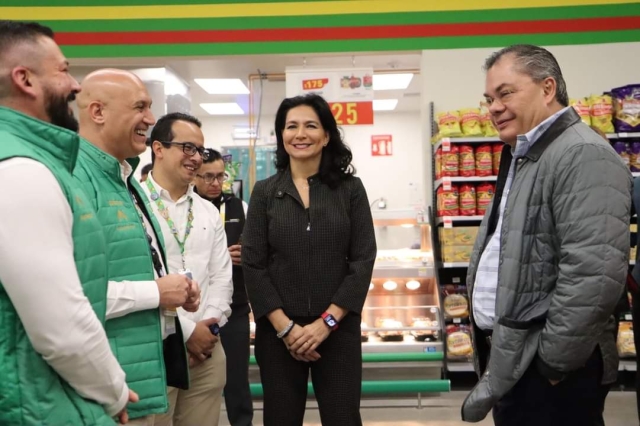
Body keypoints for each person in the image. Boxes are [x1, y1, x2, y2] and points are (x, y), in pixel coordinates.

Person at [462, 44, 632, 425]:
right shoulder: (527, 154)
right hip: (516, 360)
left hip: (551, 374)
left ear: (548, 87)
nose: (493, 107)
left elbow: (594, 274)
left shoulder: (582, 153)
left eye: (506, 93)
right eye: (489, 98)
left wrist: (553, 362)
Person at [0, 21, 136, 425]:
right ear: (24, 79)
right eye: (62, 70)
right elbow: (62, 330)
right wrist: (113, 392)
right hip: (38, 406)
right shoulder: (20, 170)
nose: (75, 85)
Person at [242, 93, 377, 426]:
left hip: (338, 330)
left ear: (326, 135)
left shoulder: (351, 189)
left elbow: (362, 259)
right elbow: (254, 265)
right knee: (280, 419)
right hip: (278, 333)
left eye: (310, 126)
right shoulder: (264, 191)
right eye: (291, 126)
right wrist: (286, 329)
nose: (300, 134)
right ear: (281, 135)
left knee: (344, 418)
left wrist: (326, 323)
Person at [74, 69, 197, 425]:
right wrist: (156, 293)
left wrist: (175, 288)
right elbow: (73, 296)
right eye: (140, 107)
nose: (150, 119)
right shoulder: (76, 179)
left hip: (135, 380)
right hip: (104, 390)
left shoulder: (123, 178)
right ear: (98, 112)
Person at [144, 112, 233, 426]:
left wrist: (210, 327)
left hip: (208, 350)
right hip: (157, 345)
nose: (196, 158)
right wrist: (187, 332)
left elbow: (222, 276)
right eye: (188, 148)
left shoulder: (208, 211)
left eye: (200, 150)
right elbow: (144, 278)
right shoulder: (135, 204)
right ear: (158, 148)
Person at [194, 148, 254, 426]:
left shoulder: (239, 207)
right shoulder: (187, 207)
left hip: (235, 306)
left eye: (220, 176)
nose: (215, 183)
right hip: (193, 309)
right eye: (208, 177)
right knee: (196, 384)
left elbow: (260, 251)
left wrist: (247, 255)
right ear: (194, 175)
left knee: (237, 380)